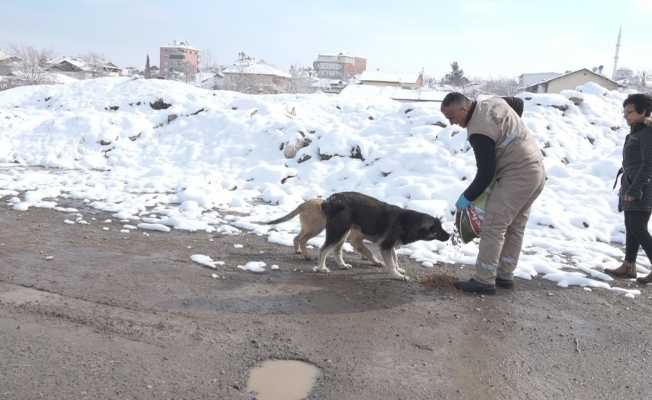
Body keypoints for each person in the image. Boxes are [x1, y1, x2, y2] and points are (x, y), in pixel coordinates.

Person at [440, 93, 545, 294]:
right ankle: (504, 276)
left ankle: (484, 280)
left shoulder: (478, 130)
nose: (452, 123)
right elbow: (518, 103)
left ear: (463, 109)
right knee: (515, 226)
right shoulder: (493, 102)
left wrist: (467, 197)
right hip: (536, 171)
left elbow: (486, 173)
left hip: (517, 174)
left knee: (493, 226)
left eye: (452, 116)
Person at [606, 93, 652, 285]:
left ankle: (630, 264)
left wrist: (635, 189)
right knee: (631, 227)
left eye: (630, 112)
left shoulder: (648, 133)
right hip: (632, 185)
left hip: (642, 188)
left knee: (637, 228)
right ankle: (628, 265)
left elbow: (649, 164)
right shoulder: (636, 132)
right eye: (625, 112)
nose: (626, 116)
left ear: (644, 112)